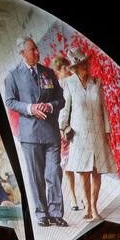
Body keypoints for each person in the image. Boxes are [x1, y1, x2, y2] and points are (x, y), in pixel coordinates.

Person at [4, 36, 67, 227]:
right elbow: (10, 101)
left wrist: (49, 105)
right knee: (36, 175)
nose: (37, 52)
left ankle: (56, 212)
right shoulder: (13, 75)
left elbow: (61, 100)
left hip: (51, 132)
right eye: (33, 50)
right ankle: (42, 213)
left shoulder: (48, 73)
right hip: (30, 134)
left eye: (37, 49)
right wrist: (30, 108)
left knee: (54, 172)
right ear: (22, 53)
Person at [59, 48, 116, 220]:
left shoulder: (97, 82)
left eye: (86, 63)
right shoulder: (68, 83)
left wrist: (107, 131)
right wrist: (63, 126)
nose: (86, 66)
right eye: (82, 64)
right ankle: (87, 208)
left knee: (97, 171)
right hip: (79, 134)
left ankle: (94, 207)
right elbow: (65, 107)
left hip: (97, 132)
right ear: (75, 67)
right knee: (83, 172)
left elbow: (104, 109)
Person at [51, 55, 80, 212]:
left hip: (78, 127)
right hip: (64, 129)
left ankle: (82, 197)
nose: (66, 70)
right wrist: (61, 128)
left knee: (83, 164)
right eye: (63, 68)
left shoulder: (75, 83)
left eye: (67, 66)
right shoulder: (58, 87)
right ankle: (74, 198)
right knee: (68, 165)